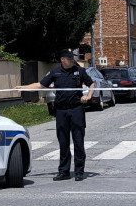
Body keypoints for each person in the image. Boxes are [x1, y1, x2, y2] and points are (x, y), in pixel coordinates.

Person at [15, 50, 95, 182]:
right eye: (69, 58)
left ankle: (80, 171)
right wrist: (23, 87)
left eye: (72, 58)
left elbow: (92, 84)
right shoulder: (55, 72)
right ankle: (64, 172)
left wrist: (88, 96)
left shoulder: (79, 71)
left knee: (78, 142)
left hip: (76, 110)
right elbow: (40, 85)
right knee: (63, 142)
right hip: (61, 111)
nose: (72, 60)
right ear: (63, 59)